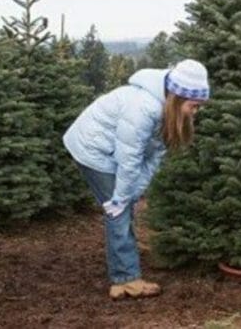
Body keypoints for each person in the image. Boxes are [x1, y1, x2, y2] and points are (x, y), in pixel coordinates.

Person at [63, 59, 209, 300]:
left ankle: (124, 250)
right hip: (93, 149)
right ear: (178, 97)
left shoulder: (167, 111)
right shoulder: (144, 108)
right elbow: (129, 159)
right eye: (194, 106)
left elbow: (152, 159)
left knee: (123, 203)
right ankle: (125, 279)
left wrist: (133, 193)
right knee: (116, 210)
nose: (195, 112)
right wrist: (121, 198)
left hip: (114, 152)